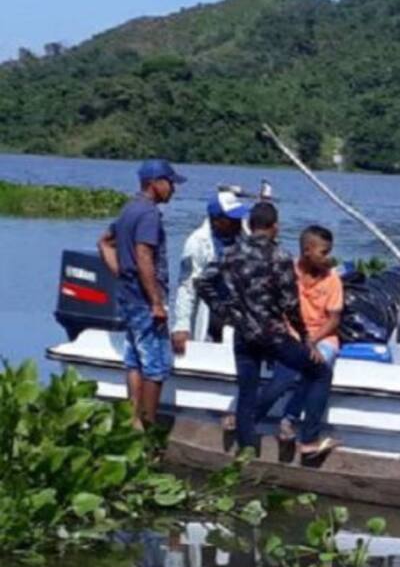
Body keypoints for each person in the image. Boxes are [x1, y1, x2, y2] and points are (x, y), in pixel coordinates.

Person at [195, 202, 337, 459]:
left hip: (244, 333)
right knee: (319, 372)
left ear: (250, 225)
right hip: (274, 335)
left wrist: (225, 311)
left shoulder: (231, 252)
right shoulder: (279, 256)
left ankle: (246, 452)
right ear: (274, 227)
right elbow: (290, 305)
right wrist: (306, 338)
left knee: (247, 391)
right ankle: (309, 441)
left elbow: (203, 281)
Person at [98, 158, 186, 429]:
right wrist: (156, 302)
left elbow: (104, 242)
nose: (173, 188)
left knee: (135, 360)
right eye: (170, 182)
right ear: (154, 184)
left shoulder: (129, 209)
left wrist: (123, 274)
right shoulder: (148, 214)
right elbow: (144, 256)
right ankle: (147, 427)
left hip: (128, 296)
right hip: (144, 300)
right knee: (156, 367)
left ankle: (132, 420)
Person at [257, 225, 343, 442]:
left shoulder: (332, 279)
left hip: (322, 336)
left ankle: (289, 417)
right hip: (290, 334)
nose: (328, 258)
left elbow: (334, 320)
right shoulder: (287, 272)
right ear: (307, 250)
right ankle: (250, 417)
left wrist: (311, 340)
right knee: (284, 375)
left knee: (318, 364)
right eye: (324, 252)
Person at [171, 190, 250, 355]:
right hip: (210, 311)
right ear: (216, 220)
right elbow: (187, 287)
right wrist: (182, 325)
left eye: (238, 217)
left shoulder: (246, 236)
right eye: (231, 218)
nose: (237, 221)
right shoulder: (197, 242)